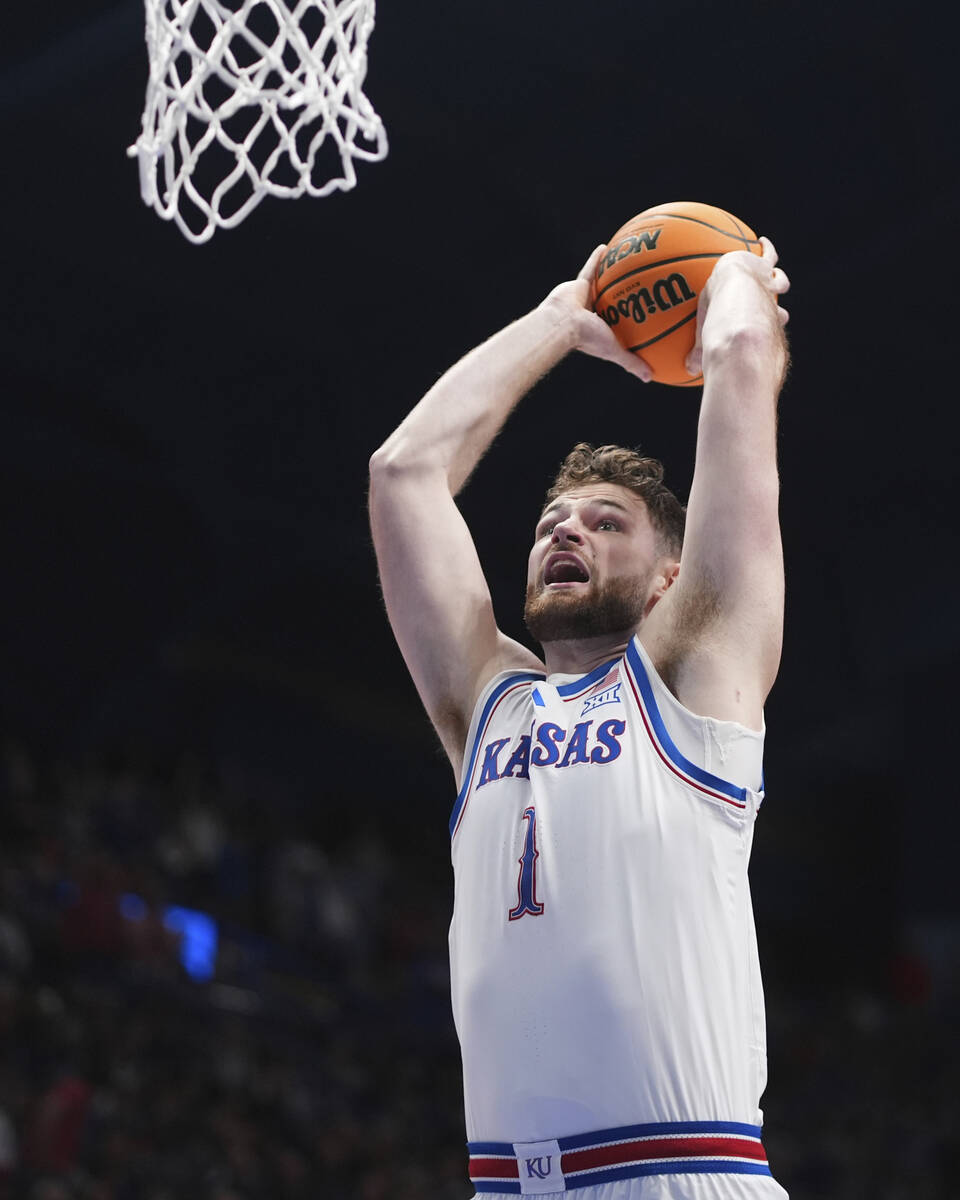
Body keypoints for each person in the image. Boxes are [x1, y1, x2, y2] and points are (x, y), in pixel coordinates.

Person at [368, 233, 790, 1199]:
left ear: (670, 580)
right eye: (555, 520)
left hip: (681, 1172)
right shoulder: (490, 710)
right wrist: (561, 319)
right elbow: (403, 476)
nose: (568, 529)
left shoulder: (695, 673)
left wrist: (735, 278)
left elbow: (734, 358)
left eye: (608, 523)